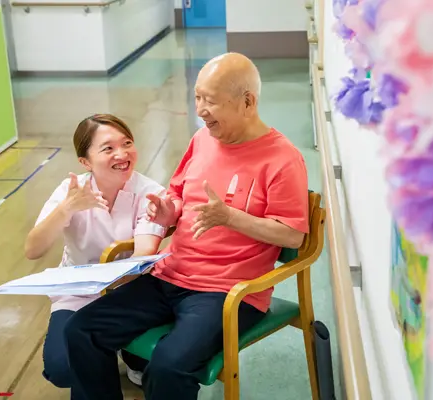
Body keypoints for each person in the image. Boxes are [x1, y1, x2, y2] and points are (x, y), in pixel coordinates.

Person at [64, 52, 310, 400]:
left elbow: (293, 235)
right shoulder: (202, 140)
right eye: (196, 97)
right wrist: (169, 212)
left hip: (227, 292)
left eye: (209, 101)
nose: (199, 110)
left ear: (248, 102)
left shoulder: (283, 159)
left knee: (168, 366)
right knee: (81, 330)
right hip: (169, 275)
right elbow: (178, 194)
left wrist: (230, 217)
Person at [25, 114, 166, 388]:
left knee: (149, 365)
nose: (122, 154)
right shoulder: (71, 191)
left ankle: (124, 352)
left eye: (127, 143)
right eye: (108, 148)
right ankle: (101, 349)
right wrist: (66, 210)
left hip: (130, 291)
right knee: (64, 370)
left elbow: (142, 257)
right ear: (85, 162)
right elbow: (33, 250)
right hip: (79, 292)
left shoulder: (150, 193)